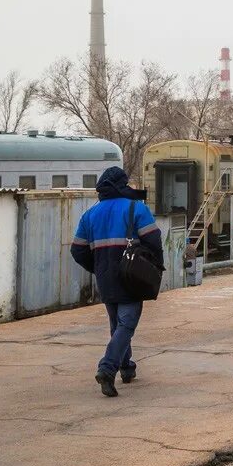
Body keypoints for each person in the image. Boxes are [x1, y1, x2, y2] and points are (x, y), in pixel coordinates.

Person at [70, 166, 163, 397]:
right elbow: (154, 240)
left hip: (106, 278)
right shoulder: (136, 208)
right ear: (123, 184)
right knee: (127, 324)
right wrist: (155, 268)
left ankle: (126, 367)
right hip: (132, 276)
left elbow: (77, 250)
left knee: (118, 325)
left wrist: (97, 267)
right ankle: (107, 368)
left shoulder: (90, 214)